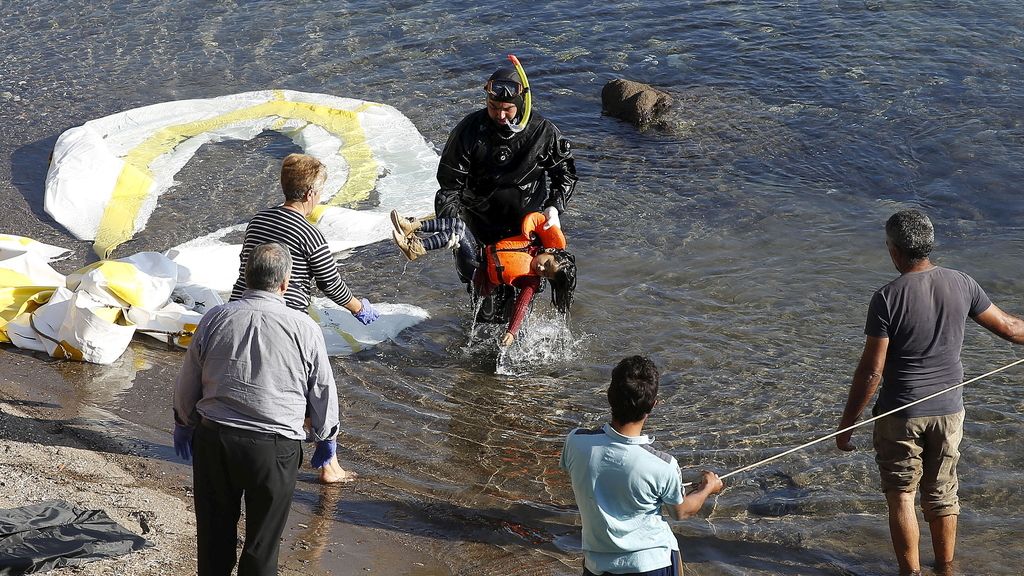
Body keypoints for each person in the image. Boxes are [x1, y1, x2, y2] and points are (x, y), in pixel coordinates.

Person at [835, 209, 1024, 576]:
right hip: (950, 410)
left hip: (900, 414)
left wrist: (848, 423)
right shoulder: (963, 283)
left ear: (894, 250)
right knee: (942, 493)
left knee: (902, 493)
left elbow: (872, 370)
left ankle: (911, 572)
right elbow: (1012, 329)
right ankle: (946, 570)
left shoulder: (887, 297)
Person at [173, 243, 351, 576]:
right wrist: (326, 439)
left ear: (247, 277)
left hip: (215, 441)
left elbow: (188, 379)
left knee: (213, 537)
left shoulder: (216, 317)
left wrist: (184, 422)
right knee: (262, 545)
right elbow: (323, 389)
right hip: (275, 449)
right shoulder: (305, 328)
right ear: (285, 283)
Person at [561, 356, 724, 576]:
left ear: (609, 396)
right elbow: (682, 512)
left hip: (597, 566)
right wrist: (707, 488)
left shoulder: (575, 442)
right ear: (654, 405)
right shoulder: (663, 465)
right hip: (651, 565)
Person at [434, 61, 578, 296]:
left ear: (520, 104)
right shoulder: (469, 131)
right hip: (479, 225)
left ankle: (517, 331)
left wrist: (554, 206)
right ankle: (477, 329)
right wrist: (451, 225)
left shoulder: (542, 132)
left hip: (526, 228)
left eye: (507, 109)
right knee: (482, 288)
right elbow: (449, 187)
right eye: (493, 106)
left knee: (524, 285)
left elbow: (566, 173)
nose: (500, 115)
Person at [230, 152, 379, 325]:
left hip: (239, 307)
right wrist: (359, 308)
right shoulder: (310, 235)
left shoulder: (258, 220)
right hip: (285, 317)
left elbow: (244, 263)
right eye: (320, 192)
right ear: (310, 194)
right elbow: (330, 284)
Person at [391, 210, 576, 346]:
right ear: (550, 251)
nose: (541, 268)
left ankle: (415, 248)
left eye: (545, 273)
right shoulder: (532, 243)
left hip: (476, 272)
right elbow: (541, 219)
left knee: (459, 233)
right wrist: (552, 210)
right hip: (479, 256)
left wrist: (512, 332)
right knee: (458, 224)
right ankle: (414, 226)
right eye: (547, 264)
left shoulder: (531, 281)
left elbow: (522, 305)